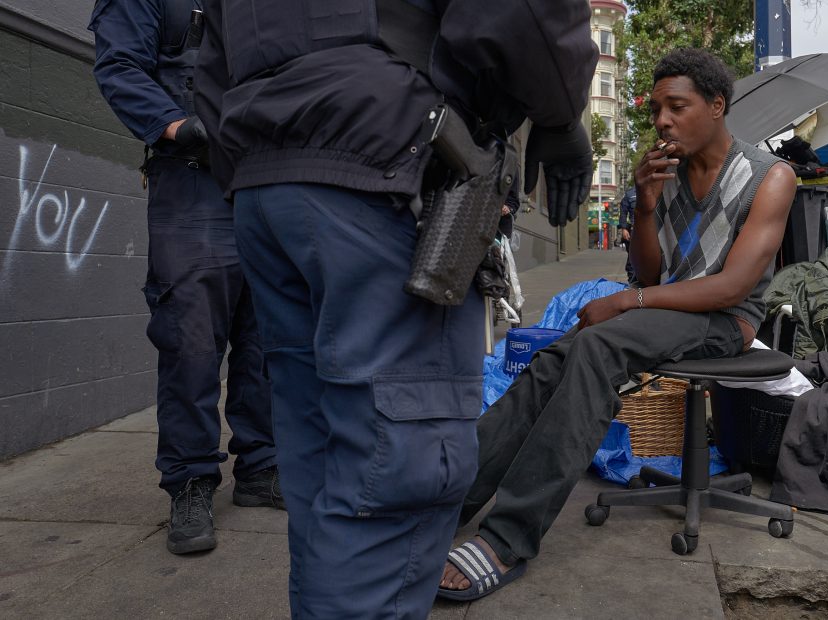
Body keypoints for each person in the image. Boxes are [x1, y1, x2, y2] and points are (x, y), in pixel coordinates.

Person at [193, 0, 598, 617]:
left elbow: (212, 56)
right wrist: (561, 109)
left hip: (268, 178)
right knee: (394, 473)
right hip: (383, 165)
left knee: (321, 462)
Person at [438, 47, 797, 601]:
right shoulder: (666, 171)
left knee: (596, 347)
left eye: (677, 107)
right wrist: (648, 205)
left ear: (718, 105)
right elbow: (651, 270)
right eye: (656, 110)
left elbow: (732, 287)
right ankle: (451, 498)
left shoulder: (770, 177)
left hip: (724, 320)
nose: (662, 121)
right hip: (666, 309)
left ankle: (507, 538)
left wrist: (629, 302)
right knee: (556, 355)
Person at [89, 0, 282, 557]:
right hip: (193, 177)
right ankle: (192, 480)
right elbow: (119, 65)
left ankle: (261, 466)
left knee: (265, 335)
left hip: (267, 178)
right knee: (191, 338)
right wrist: (175, 125)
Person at [618, 185, 637, 282]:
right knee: (632, 257)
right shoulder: (630, 194)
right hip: (635, 230)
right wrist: (624, 228)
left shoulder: (654, 189)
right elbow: (623, 212)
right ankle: (632, 281)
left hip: (652, 229)